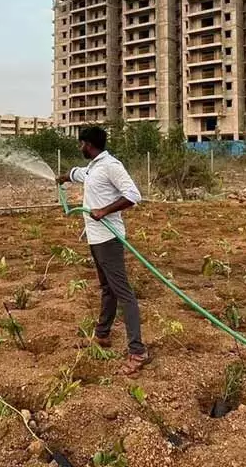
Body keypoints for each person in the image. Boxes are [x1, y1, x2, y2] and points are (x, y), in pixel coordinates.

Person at [57, 126, 147, 374]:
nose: (79, 148)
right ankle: (103, 334)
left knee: (124, 294)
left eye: (80, 144)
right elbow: (80, 175)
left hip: (109, 238)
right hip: (95, 240)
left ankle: (138, 351)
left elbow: (133, 195)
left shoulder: (111, 165)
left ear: (87, 144)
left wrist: (104, 210)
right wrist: (64, 177)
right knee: (107, 289)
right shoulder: (94, 167)